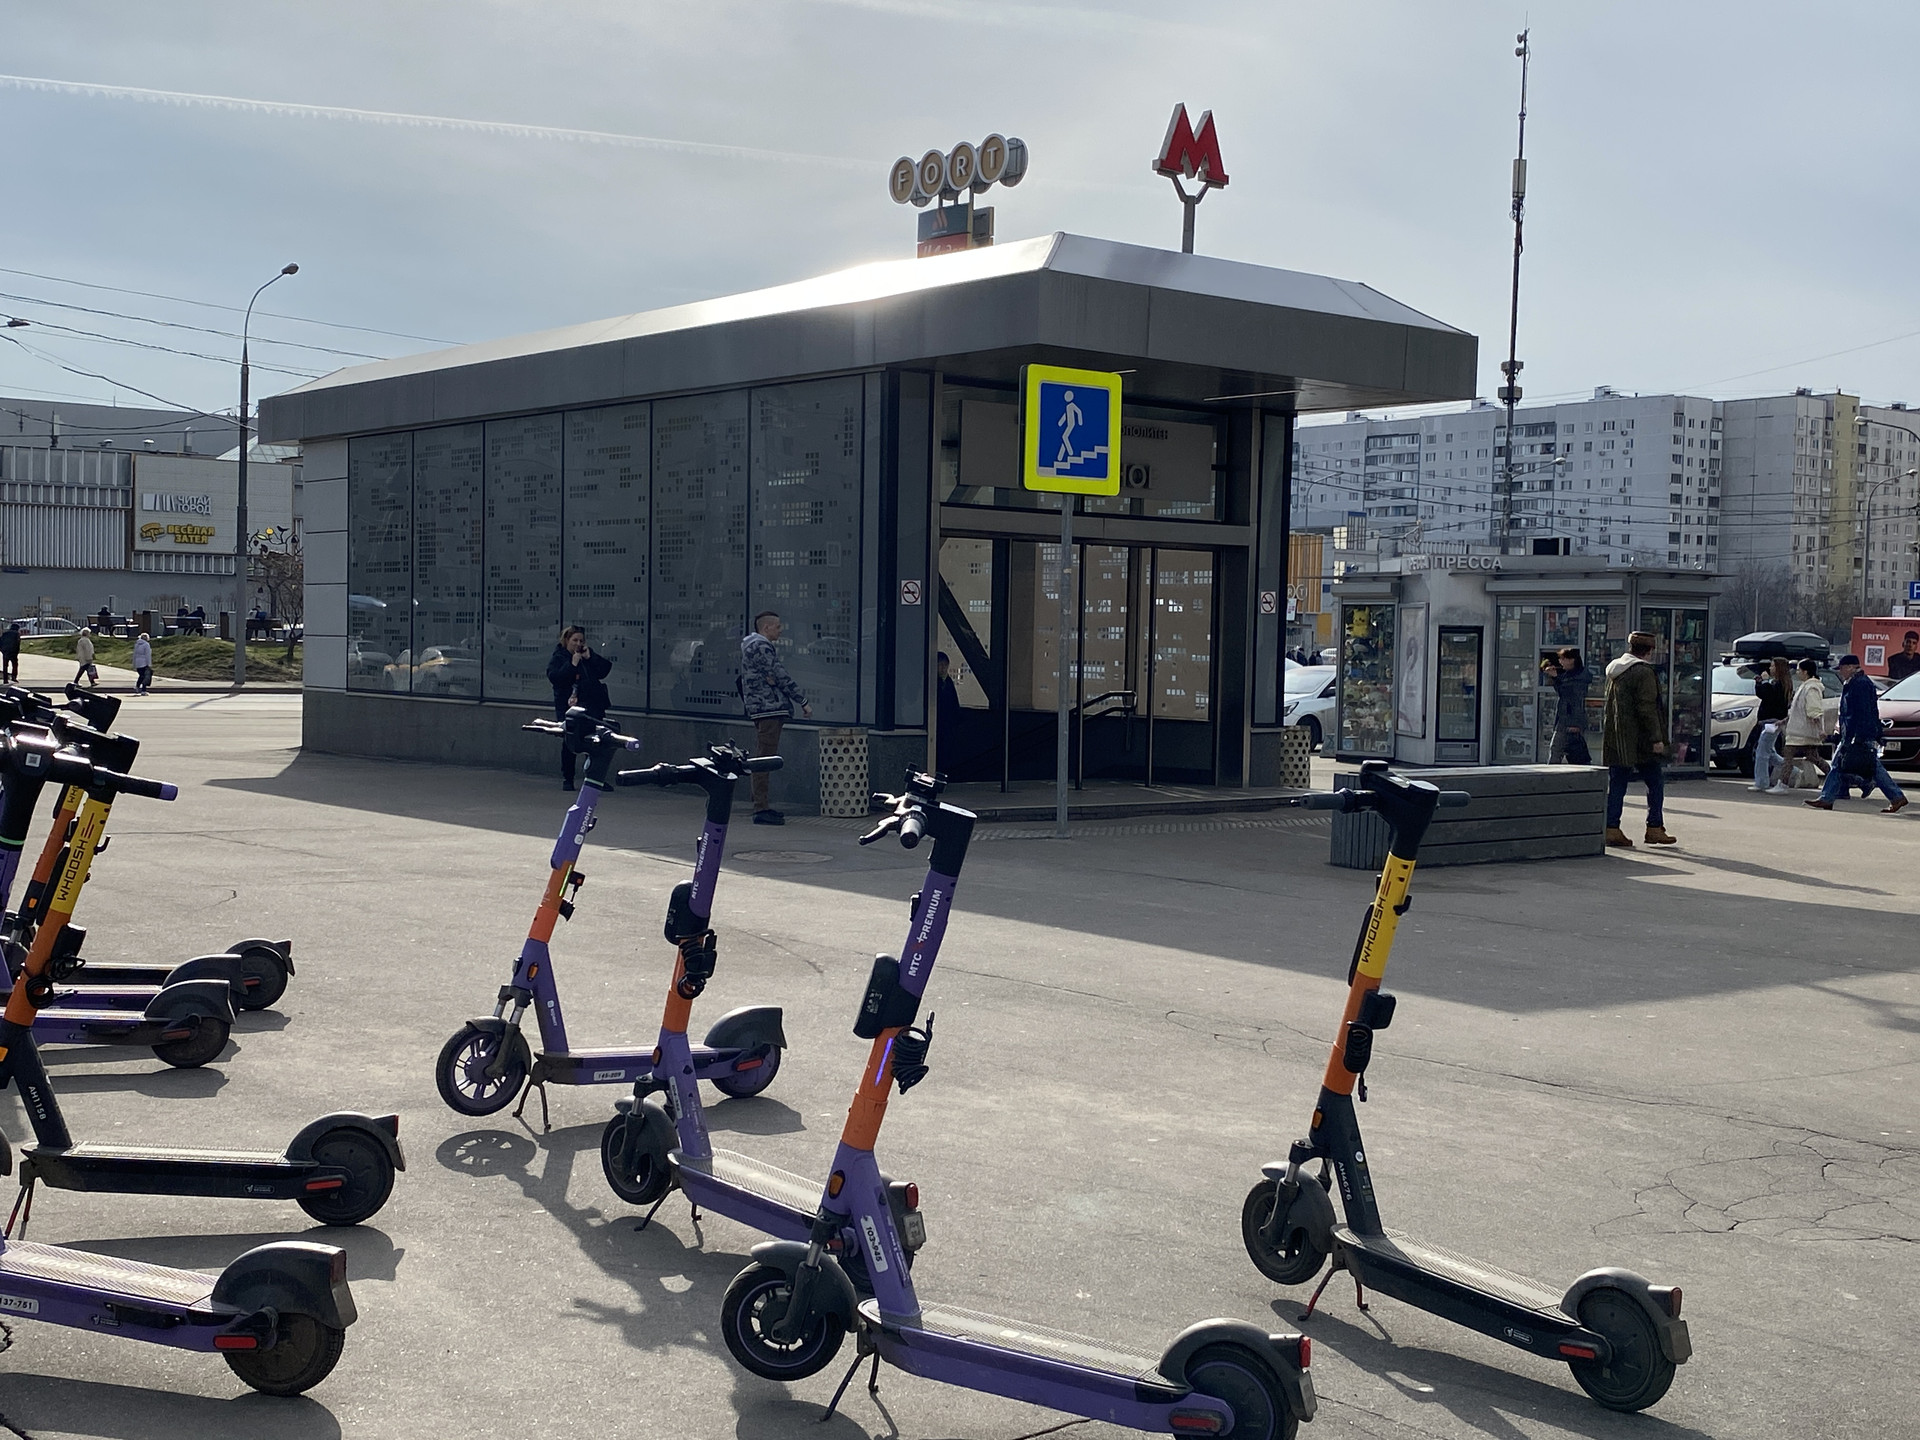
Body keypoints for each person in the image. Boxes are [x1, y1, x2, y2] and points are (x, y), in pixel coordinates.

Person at [1806, 654, 1907, 813]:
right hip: (1855, 733)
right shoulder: (1855, 683)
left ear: (1851, 667)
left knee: (1865, 766)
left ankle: (1886, 793)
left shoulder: (1860, 684)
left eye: (1842, 668)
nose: (1840, 672)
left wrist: (1853, 735)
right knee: (1843, 765)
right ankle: (1828, 798)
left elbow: (1862, 712)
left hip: (1859, 734)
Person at [1602, 630, 1674, 848]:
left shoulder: (1615, 670)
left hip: (1618, 738)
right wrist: (1656, 738)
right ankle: (1654, 827)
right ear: (1649, 650)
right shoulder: (1643, 672)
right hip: (1641, 740)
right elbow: (1647, 708)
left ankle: (1611, 828)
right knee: (1655, 782)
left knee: (1617, 783)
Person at [739, 611, 810, 825]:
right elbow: (779, 675)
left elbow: (773, 676)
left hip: (763, 707)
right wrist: (802, 700)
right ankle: (760, 808)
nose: (781, 630)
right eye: (778, 626)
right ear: (766, 628)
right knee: (765, 758)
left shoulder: (753, 646)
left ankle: (761, 804)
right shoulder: (761, 646)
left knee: (763, 755)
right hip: (768, 707)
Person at [544, 625, 612, 790]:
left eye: (581, 640)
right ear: (567, 641)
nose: (578, 644)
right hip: (570, 707)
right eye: (575, 640)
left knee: (595, 743)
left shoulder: (587, 656)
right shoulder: (559, 657)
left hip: (592, 705)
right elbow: (556, 677)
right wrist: (572, 664)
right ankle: (568, 778)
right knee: (570, 742)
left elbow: (604, 670)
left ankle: (595, 778)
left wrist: (591, 658)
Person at [1775, 658, 1829, 792]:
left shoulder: (1811, 688)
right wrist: (1785, 720)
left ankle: (1782, 784)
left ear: (1805, 672)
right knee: (1813, 757)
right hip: (1802, 731)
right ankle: (1836, 778)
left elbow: (1814, 711)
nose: (1797, 672)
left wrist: (1820, 730)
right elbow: (1798, 710)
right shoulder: (1806, 687)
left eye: (1799, 670)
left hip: (1801, 731)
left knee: (1788, 756)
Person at [1750, 657, 1791, 792]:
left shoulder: (1780, 685)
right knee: (1770, 752)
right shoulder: (1777, 683)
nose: (1770, 668)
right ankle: (1793, 771)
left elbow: (1768, 695)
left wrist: (1765, 681)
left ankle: (1761, 782)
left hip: (1773, 722)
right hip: (1769, 721)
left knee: (1761, 752)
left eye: (1773, 666)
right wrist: (1759, 683)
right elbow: (1762, 693)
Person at [1545, 647, 1592, 764]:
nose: (1560, 662)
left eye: (1563, 659)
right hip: (1565, 719)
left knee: (1557, 750)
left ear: (1572, 660)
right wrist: (1555, 678)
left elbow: (1571, 697)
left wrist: (1576, 724)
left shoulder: (1579, 678)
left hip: (1569, 720)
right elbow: (1562, 692)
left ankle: (1551, 774)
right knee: (1572, 752)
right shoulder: (1569, 675)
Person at [935, 651, 962, 774]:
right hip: (938, 723)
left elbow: (954, 703)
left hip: (947, 724)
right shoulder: (934, 682)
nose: (943, 668)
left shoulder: (948, 682)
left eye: (945, 665)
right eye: (940, 665)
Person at [131, 631, 153, 695]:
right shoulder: (146, 645)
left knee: (141, 676)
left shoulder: (137, 644)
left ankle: (138, 686)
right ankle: (143, 690)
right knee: (145, 677)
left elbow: (134, 654)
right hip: (144, 663)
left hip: (137, 662)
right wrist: (149, 664)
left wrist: (134, 664)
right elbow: (147, 655)